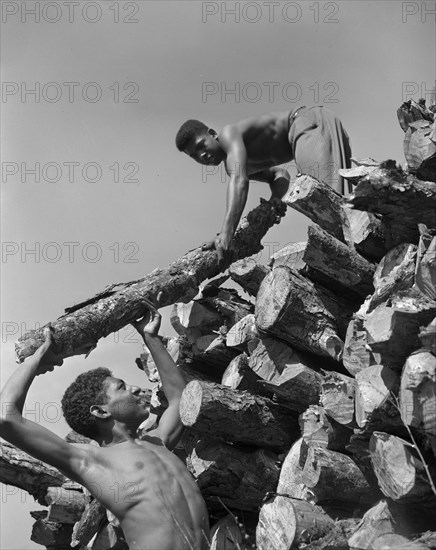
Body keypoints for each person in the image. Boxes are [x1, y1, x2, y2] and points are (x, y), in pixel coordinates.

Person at [0, 297, 210, 550]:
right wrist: (38, 356)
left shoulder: (159, 442)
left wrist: (151, 339)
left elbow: (179, 399)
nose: (134, 388)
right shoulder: (89, 461)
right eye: (122, 387)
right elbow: (6, 417)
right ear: (100, 411)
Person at [175, 106, 352, 260]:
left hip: (306, 123)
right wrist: (275, 199)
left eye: (201, 146)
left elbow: (239, 181)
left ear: (212, 134)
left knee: (327, 208)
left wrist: (226, 233)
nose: (202, 155)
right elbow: (279, 175)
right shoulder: (235, 165)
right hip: (315, 126)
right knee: (340, 210)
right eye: (195, 155)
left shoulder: (229, 134)